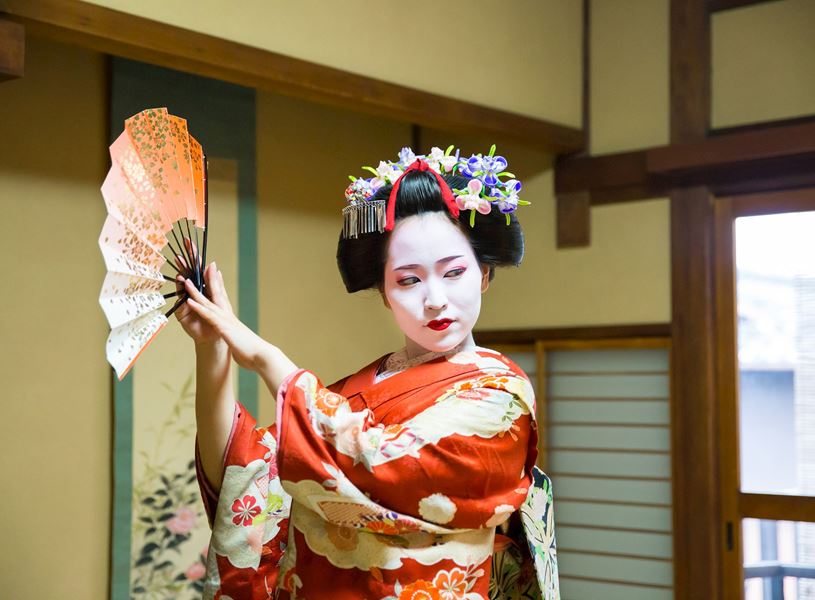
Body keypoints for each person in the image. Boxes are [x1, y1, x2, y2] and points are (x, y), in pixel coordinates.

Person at [176, 147, 559, 599]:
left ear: (484, 275)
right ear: (383, 291)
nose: (434, 299)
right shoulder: (361, 389)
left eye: (453, 272)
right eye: (408, 279)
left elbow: (379, 465)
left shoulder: (500, 394)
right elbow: (247, 472)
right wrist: (212, 346)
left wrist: (266, 359)